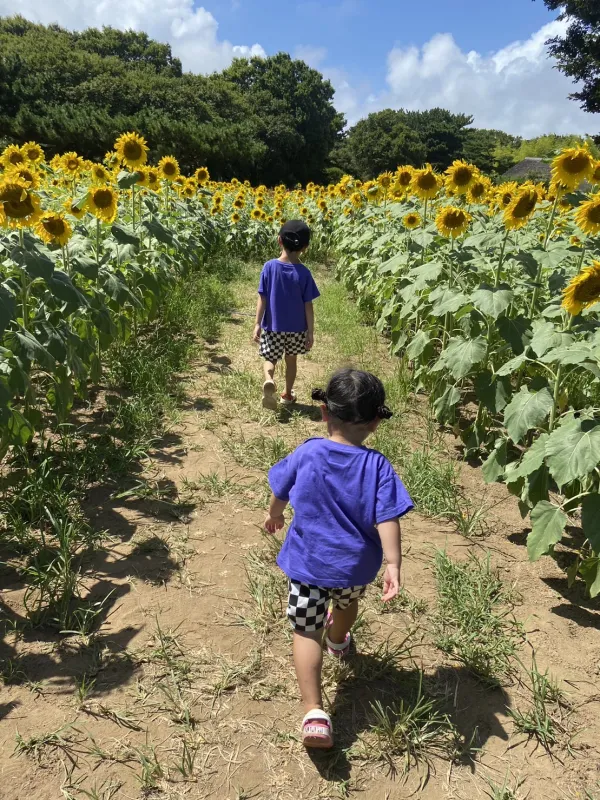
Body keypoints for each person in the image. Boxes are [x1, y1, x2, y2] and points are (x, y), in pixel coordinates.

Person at [264, 368, 414, 749]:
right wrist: (393, 563)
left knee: (304, 630)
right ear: (376, 422)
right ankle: (340, 636)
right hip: (353, 568)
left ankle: (314, 711)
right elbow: (387, 517)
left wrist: (275, 514)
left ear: (324, 413)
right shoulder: (378, 466)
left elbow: (281, 489)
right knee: (347, 607)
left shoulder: (308, 451)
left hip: (307, 564)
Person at [253, 220, 320, 410]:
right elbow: (309, 305)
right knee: (291, 362)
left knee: (270, 358)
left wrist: (257, 323)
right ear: (305, 247)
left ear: (279, 240)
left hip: (273, 327)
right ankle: (288, 394)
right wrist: (310, 332)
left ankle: (269, 379)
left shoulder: (269, 267)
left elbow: (262, 298)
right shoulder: (304, 273)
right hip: (297, 329)